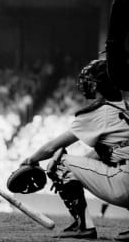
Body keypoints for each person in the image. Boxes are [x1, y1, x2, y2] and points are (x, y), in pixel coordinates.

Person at [21, 59, 129, 241]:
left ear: (99, 85)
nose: (87, 84)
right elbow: (105, 153)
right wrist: (76, 174)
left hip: (124, 185)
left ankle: (84, 226)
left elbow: (51, 147)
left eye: (91, 80)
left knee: (59, 161)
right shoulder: (126, 107)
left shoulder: (100, 111)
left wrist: (31, 159)